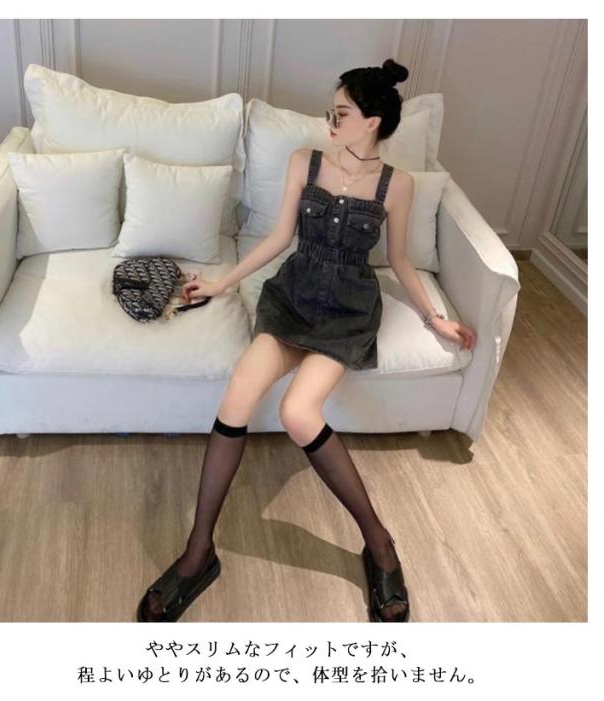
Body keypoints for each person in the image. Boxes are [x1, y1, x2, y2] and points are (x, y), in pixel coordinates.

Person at [137, 58, 477, 623]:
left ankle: (379, 543)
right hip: (293, 297)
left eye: (340, 113)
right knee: (237, 397)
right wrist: (222, 282)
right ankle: (199, 552)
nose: (330, 122)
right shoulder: (306, 162)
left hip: (347, 311)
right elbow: (278, 238)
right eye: (331, 112)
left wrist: (435, 317)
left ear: (371, 122)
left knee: (298, 412)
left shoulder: (398, 185)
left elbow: (398, 260)